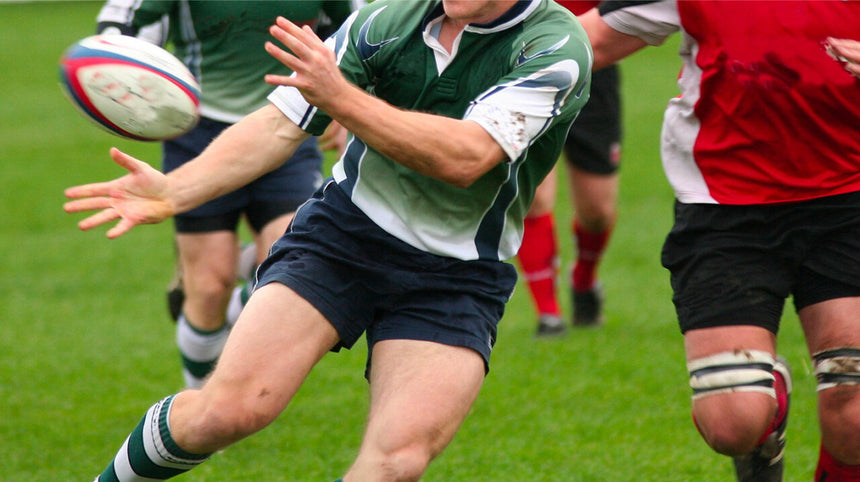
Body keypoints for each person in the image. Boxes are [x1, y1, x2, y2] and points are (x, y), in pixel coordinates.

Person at [64, 1, 593, 480]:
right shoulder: (386, 20)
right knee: (228, 410)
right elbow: (280, 126)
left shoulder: (554, 46)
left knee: (396, 462)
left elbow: (465, 157)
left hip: (457, 273)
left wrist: (341, 98)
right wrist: (175, 191)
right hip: (342, 239)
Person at [578, 2, 860, 481]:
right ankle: (765, 418)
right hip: (724, 205)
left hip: (849, 198)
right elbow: (588, 41)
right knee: (731, 424)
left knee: (854, 415)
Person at [95, 0, 359, 388]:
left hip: (286, 121)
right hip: (198, 133)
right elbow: (119, 22)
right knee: (208, 289)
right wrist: (115, 69)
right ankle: (195, 402)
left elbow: (362, 31)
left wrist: (344, 100)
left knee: (292, 271)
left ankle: (245, 277)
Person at [517, 0, 621, 336]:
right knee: (533, 196)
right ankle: (549, 314)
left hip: (594, 63)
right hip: (526, 61)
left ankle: (584, 280)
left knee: (598, 211)